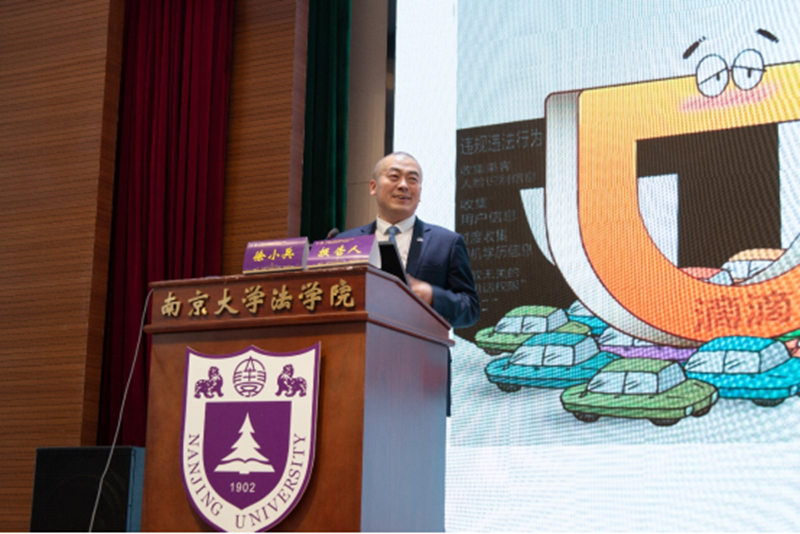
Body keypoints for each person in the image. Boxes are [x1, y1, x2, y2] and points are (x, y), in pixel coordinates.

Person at [339, 152, 480, 329]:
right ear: (373, 187)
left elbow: (471, 309)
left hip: (420, 345)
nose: (403, 185)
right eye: (394, 176)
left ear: (420, 192)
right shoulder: (345, 243)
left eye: (412, 179)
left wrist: (433, 296)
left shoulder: (447, 243)